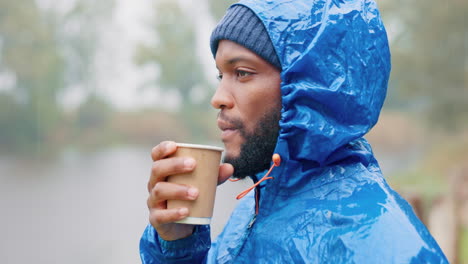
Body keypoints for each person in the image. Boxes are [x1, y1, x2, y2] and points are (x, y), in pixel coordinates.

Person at [140, 0, 448, 263]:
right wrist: (178, 244)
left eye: (242, 73)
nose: (217, 97)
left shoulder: (386, 247)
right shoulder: (254, 210)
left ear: (313, 87)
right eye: (221, 75)